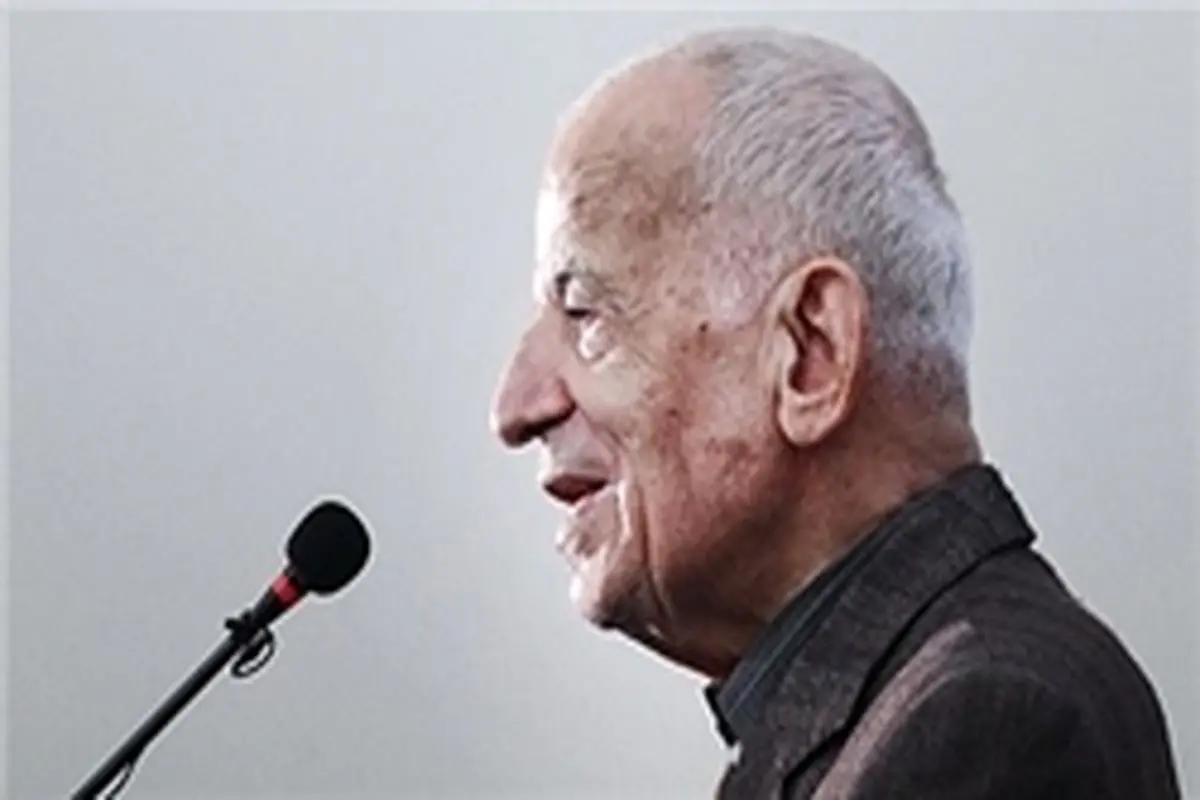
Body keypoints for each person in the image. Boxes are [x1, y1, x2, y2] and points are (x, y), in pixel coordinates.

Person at [488, 27, 1181, 799]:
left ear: (810, 352)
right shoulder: (888, 706)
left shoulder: (985, 721)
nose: (515, 408)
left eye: (584, 313)